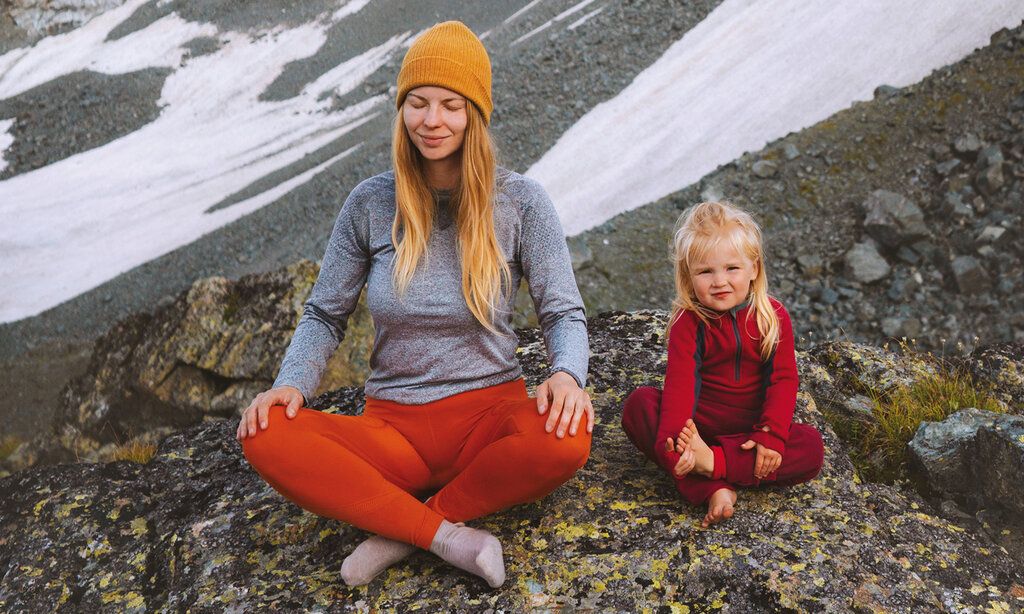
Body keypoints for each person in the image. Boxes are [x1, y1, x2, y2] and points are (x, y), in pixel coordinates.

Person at [237, 21, 593, 589]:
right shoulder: (372, 203)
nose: (432, 121)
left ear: (475, 114)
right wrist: (292, 385)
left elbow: (563, 313)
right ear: (401, 111)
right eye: (418, 103)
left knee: (567, 436)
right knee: (264, 432)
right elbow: (325, 314)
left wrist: (568, 375)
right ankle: (447, 536)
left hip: (489, 421)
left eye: (451, 105)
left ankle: (402, 527)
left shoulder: (522, 202)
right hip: (393, 433)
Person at [620, 201, 823, 528]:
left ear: (754, 268)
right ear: (688, 275)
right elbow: (680, 385)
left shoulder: (772, 316)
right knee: (639, 406)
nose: (719, 281)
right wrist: (675, 446)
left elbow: (783, 381)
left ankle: (711, 468)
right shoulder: (690, 321)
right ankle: (715, 485)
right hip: (698, 427)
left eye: (732, 268)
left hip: (751, 434)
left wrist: (770, 434)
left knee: (810, 448)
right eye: (705, 271)